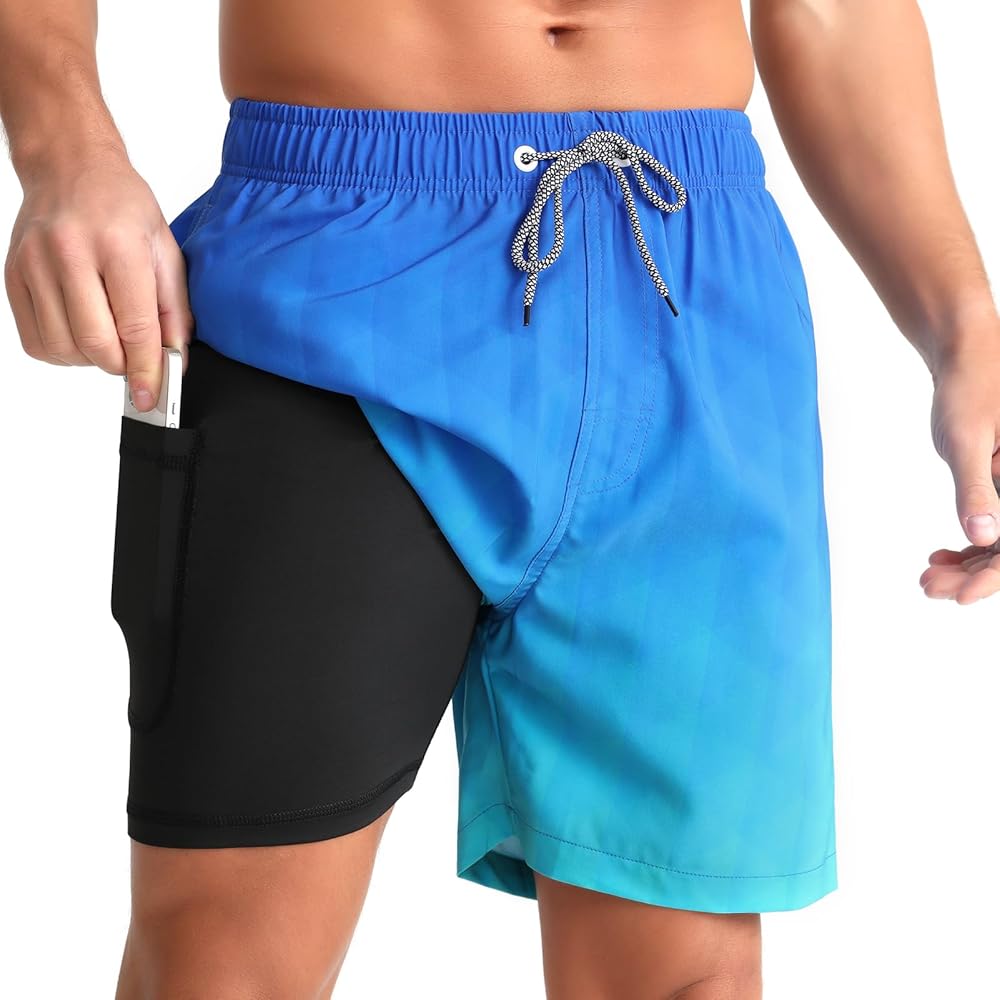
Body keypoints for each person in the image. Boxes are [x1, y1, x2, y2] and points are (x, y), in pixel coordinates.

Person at [2, 1, 998, 996]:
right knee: (223, 965)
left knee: (684, 978)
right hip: (332, 274)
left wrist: (966, 329)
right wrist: (64, 152)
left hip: (693, 287)